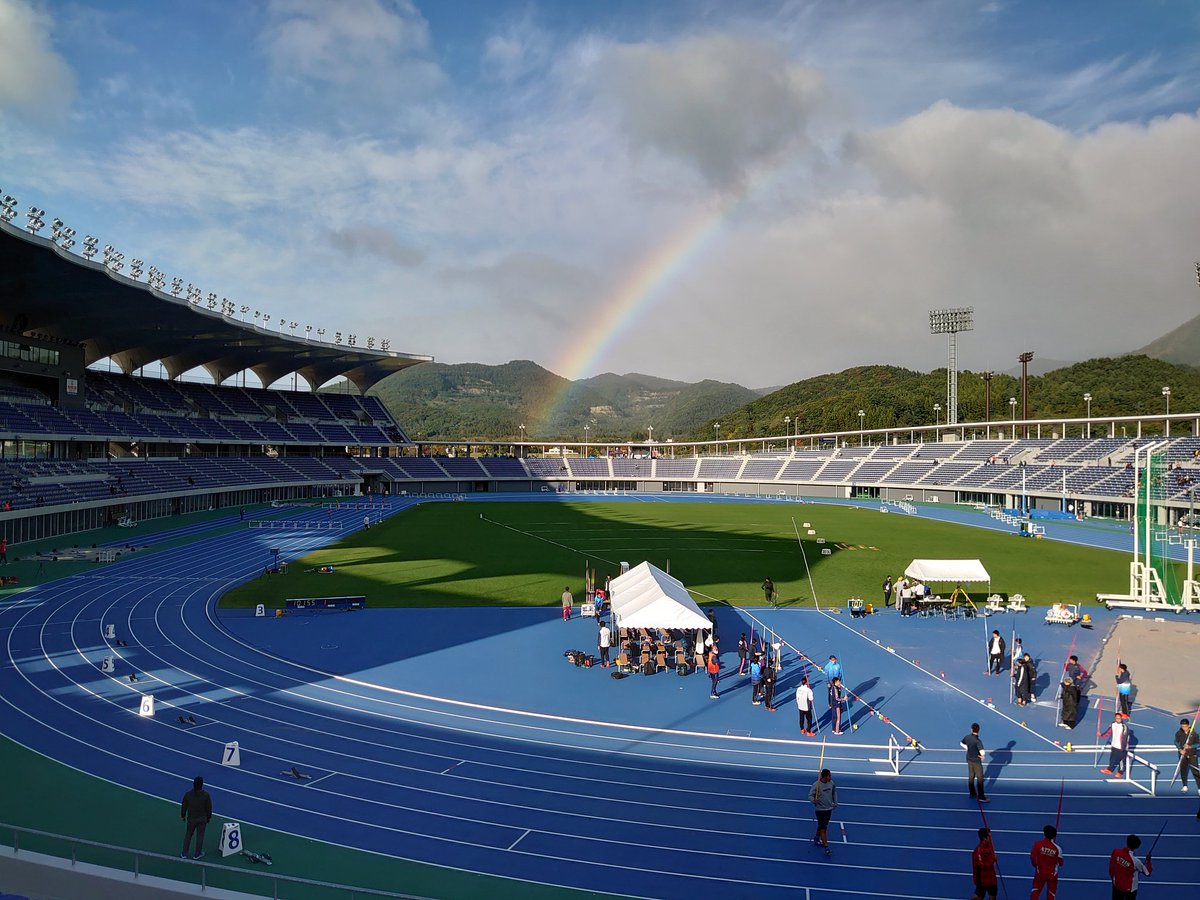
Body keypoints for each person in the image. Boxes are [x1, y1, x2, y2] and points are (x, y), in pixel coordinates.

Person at [1109, 834, 1152, 900]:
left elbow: (1111, 867)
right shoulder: (1136, 861)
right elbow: (1148, 873)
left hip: (1116, 886)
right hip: (1130, 890)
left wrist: (1113, 879)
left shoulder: (1115, 851)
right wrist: (1148, 860)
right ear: (1137, 846)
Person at [180, 775, 212, 860]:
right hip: (202, 818)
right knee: (200, 836)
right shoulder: (206, 795)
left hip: (191, 818)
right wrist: (209, 817)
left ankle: (184, 853)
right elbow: (209, 807)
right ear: (202, 785)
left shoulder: (188, 795)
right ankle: (197, 854)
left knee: (188, 835)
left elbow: (184, 806)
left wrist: (183, 816)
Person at [808, 768, 838, 857]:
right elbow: (810, 795)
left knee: (822, 826)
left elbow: (834, 792)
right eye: (829, 775)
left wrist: (835, 802)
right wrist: (814, 800)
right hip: (820, 810)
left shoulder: (831, 783)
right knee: (823, 829)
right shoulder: (816, 785)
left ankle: (816, 838)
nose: (831, 777)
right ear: (825, 776)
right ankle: (826, 847)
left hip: (829, 809)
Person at [1030, 824, 1063, 900]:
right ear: (1054, 836)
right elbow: (1061, 863)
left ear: (1044, 833)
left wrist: (1036, 866)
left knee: (1035, 892)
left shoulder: (1038, 844)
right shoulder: (1058, 848)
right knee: (1051, 894)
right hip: (1052, 875)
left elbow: (1032, 857)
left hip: (1040, 873)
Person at [961, 722, 988, 801]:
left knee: (971, 777)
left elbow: (961, 743)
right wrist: (982, 756)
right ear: (978, 730)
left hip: (969, 760)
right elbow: (982, 752)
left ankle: (972, 793)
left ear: (971, 729)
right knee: (980, 779)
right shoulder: (978, 741)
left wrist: (968, 748)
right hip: (976, 762)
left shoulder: (967, 737)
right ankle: (981, 796)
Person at [970, 827, 998, 900]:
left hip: (991, 878)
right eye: (989, 836)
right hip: (982, 879)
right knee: (978, 897)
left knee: (993, 896)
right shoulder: (978, 851)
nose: (991, 838)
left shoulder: (990, 846)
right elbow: (982, 865)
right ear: (984, 838)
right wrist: (993, 860)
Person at [1101, 713, 1130, 778]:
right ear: (1115, 718)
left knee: (1121, 760)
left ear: (1121, 718)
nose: (1118, 719)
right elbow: (1108, 732)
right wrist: (1101, 735)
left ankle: (1120, 772)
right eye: (1117, 718)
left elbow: (1125, 738)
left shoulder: (1124, 727)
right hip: (1114, 745)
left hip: (1122, 747)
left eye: (1119, 718)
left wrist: (1123, 748)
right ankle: (1110, 769)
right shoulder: (1113, 724)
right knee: (1112, 758)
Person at [1174, 718, 1199, 792]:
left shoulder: (1194, 734)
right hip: (1183, 754)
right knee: (1183, 770)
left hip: (1192, 754)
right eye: (1182, 726)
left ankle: (1199, 788)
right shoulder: (1179, 733)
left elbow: (1198, 743)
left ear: (1189, 725)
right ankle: (1185, 786)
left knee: (1195, 771)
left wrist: (1190, 746)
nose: (1183, 727)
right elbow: (1176, 741)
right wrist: (1180, 749)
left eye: (1185, 726)